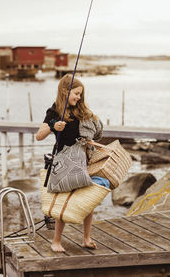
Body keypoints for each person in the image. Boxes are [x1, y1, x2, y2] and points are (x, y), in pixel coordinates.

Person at [36, 74, 109, 252]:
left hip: (85, 160)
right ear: (64, 91)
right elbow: (39, 136)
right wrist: (53, 127)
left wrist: (94, 119)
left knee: (88, 200)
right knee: (64, 201)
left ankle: (86, 239)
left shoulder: (81, 111)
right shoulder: (54, 112)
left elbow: (98, 133)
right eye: (76, 93)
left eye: (80, 95)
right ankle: (56, 241)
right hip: (65, 161)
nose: (78, 97)